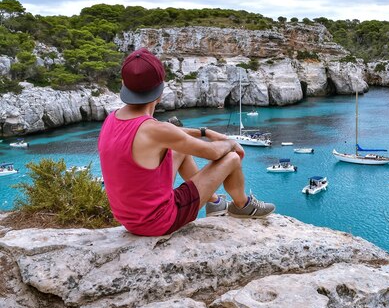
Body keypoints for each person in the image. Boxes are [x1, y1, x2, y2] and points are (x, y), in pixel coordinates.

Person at [98, 48, 275, 236]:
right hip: (159, 221)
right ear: (161, 90)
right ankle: (242, 205)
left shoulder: (113, 118)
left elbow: (171, 135)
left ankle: (215, 203)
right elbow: (214, 153)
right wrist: (230, 143)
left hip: (132, 219)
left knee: (179, 149)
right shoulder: (156, 130)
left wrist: (204, 132)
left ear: (124, 84)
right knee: (231, 158)